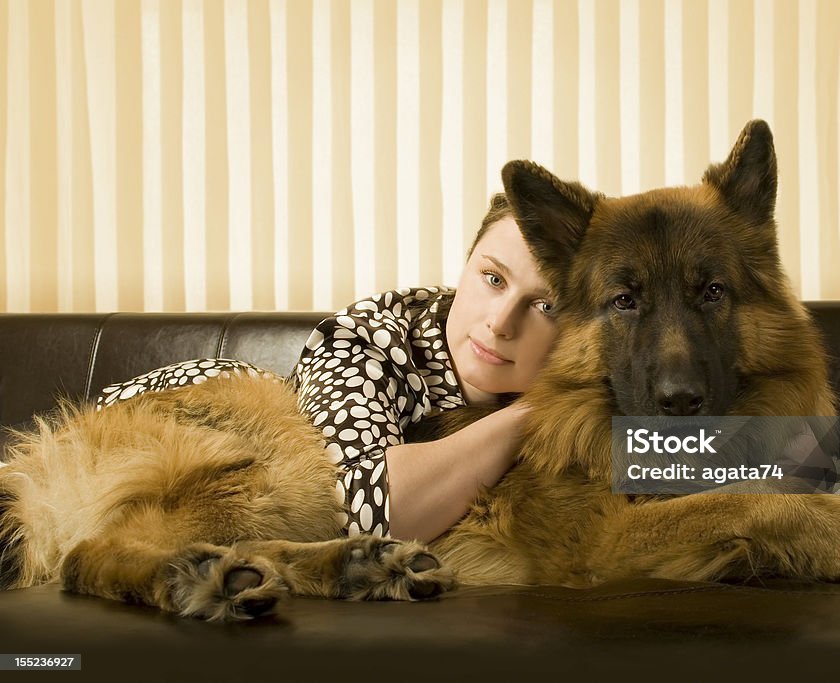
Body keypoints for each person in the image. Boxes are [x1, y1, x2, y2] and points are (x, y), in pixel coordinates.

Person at [96, 194, 559, 544]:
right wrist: (534, 413)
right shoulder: (368, 338)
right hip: (157, 447)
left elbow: (634, 477)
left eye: (546, 305)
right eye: (492, 278)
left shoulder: (598, 363)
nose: (500, 322)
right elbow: (364, 513)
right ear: (465, 267)